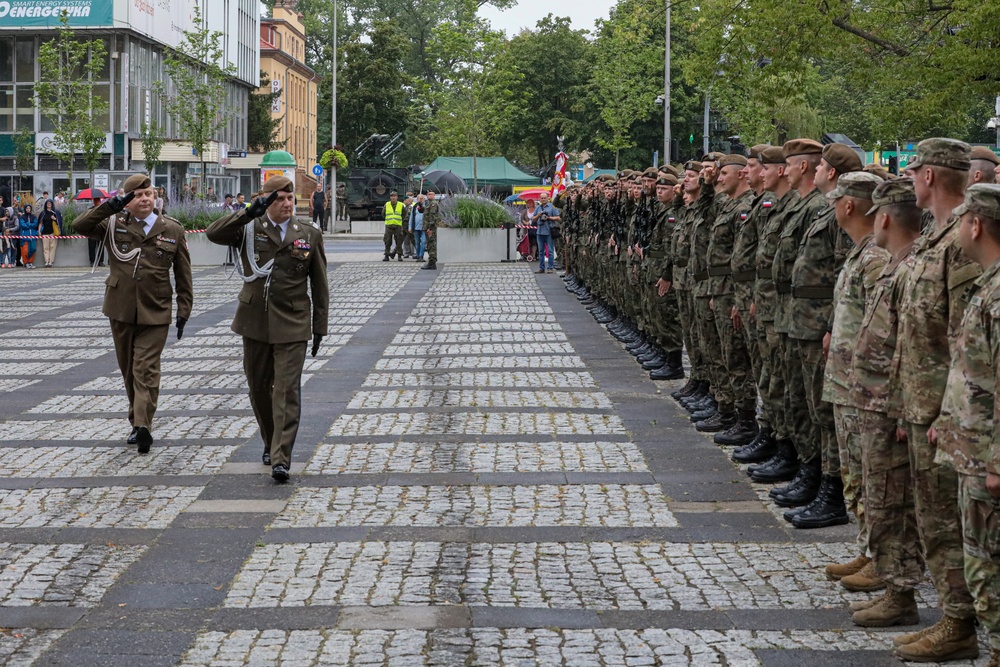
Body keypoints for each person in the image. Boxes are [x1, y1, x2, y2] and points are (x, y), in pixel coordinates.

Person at [891, 138, 978, 662]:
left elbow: (965, 337)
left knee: (949, 521)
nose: (912, 176)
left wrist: (949, 413)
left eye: (915, 169)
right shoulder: (934, 235)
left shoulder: (960, 239)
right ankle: (953, 615)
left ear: (929, 176)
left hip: (944, 409)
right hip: (920, 402)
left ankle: (961, 624)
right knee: (933, 515)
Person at [206, 176, 329, 484]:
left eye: (289, 198)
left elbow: (320, 284)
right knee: (259, 389)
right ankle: (270, 438)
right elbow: (213, 233)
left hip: (293, 322)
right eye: (279, 199)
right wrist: (248, 212)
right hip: (255, 321)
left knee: (286, 391)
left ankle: (281, 457)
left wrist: (319, 327)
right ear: (264, 199)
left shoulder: (309, 234)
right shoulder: (249, 229)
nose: (286, 204)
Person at [72, 174, 194, 454]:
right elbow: (79, 225)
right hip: (121, 308)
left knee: (145, 369)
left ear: (156, 196)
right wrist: (111, 206)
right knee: (129, 370)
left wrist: (184, 310)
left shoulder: (172, 229)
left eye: (148, 194)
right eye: (137, 195)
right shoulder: (114, 224)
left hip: (156, 309)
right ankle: (136, 421)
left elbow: (184, 276)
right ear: (128, 200)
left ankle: (143, 426)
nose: (144, 199)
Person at [932, 183, 1000, 667]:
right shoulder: (988, 284)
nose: (955, 229)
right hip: (973, 447)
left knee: (988, 564)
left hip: (988, 456)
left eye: (961, 220)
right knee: (981, 560)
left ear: (976, 224)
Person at [532, 192, 561, 273]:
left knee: (551, 251)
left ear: (548, 198)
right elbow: (533, 219)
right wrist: (538, 215)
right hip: (540, 232)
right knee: (541, 251)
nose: (543, 199)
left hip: (549, 232)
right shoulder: (538, 208)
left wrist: (549, 218)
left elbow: (558, 218)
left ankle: (550, 268)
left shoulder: (552, 207)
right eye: (542, 198)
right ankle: (541, 268)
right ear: (539, 199)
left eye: (545, 198)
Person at [38, 199, 62, 267]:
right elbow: (40, 223)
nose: (49, 204)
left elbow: (60, 222)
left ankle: (51, 261)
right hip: (45, 232)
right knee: (45, 248)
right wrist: (39, 231)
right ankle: (46, 261)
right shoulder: (43, 213)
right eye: (47, 203)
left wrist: (55, 219)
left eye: (50, 203)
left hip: (53, 232)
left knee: (52, 247)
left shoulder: (55, 212)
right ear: (45, 204)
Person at [420, 190, 440, 270]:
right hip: (426, 227)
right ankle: (432, 262)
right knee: (429, 245)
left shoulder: (433, 204)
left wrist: (430, 228)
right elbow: (422, 211)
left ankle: (432, 262)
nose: (429, 196)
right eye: (427, 194)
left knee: (431, 245)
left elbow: (433, 216)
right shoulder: (428, 203)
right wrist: (420, 203)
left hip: (430, 228)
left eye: (430, 194)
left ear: (434, 195)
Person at [383, 191, 405, 261]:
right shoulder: (387, 204)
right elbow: (383, 214)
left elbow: (404, 214)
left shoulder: (401, 205)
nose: (393, 197)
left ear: (397, 197)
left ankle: (399, 255)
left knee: (398, 241)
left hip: (398, 225)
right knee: (387, 241)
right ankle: (386, 255)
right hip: (389, 225)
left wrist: (400, 220)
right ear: (390, 197)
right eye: (392, 196)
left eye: (394, 196)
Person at [18, 204, 39, 269]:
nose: (28, 209)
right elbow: (23, 225)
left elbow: (36, 224)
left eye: (29, 208)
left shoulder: (34, 217)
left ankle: (30, 262)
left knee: (33, 249)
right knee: (25, 251)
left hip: (33, 237)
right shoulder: (22, 217)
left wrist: (28, 224)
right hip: (25, 237)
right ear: (25, 209)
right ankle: (26, 262)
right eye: (27, 208)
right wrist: (31, 225)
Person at [1, 196, 17, 268]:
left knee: (11, 251)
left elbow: (17, 226)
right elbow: (4, 224)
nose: (6, 212)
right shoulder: (5, 219)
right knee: (3, 250)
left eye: (7, 211)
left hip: (12, 235)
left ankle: (12, 262)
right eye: (6, 211)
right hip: (5, 235)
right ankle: (2, 262)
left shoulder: (14, 218)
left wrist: (10, 230)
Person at [409, 193, 426, 261]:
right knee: (417, 242)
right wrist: (410, 227)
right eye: (419, 198)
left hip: (424, 227)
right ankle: (418, 255)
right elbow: (411, 217)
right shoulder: (414, 207)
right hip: (415, 227)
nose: (420, 199)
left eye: (422, 198)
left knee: (423, 242)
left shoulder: (426, 206)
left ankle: (421, 255)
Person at [401, 192, 416, 258]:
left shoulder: (413, 206)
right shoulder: (402, 207)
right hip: (403, 225)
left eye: (407, 200)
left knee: (412, 240)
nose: (405, 201)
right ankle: (406, 253)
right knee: (405, 240)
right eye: (405, 200)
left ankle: (414, 253)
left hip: (410, 225)